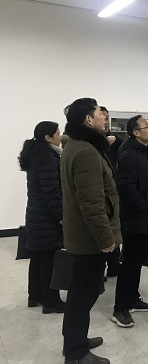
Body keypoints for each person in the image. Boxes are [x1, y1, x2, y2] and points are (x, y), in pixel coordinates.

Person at [61, 98, 122, 364]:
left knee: (82, 293)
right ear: (88, 119)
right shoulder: (85, 151)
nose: (104, 118)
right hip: (90, 240)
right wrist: (106, 240)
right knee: (83, 295)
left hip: (84, 235)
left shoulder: (78, 146)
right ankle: (75, 353)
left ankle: (76, 341)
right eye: (100, 113)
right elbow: (92, 204)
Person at [111, 115, 148, 328]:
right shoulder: (129, 154)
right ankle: (120, 308)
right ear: (136, 132)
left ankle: (132, 298)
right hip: (134, 218)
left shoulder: (141, 151)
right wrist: (143, 208)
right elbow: (126, 188)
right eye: (147, 126)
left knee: (137, 260)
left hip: (143, 216)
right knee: (130, 262)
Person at [18, 121, 65, 314]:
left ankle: (35, 296)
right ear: (47, 137)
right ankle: (51, 302)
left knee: (37, 257)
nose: (60, 136)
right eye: (57, 133)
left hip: (36, 214)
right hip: (47, 217)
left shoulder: (36, 153)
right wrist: (62, 216)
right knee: (49, 259)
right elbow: (52, 193)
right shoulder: (48, 158)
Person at [100, 106, 123, 278]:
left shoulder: (113, 139)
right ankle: (100, 269)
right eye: (102, 117)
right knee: (102, 232)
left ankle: (114, 265)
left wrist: (115, 139)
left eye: (107, 117)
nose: (106, 121)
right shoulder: (90, 143)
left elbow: (125, 143)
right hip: (99, 192)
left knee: (115, 228)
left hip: (113, 189)